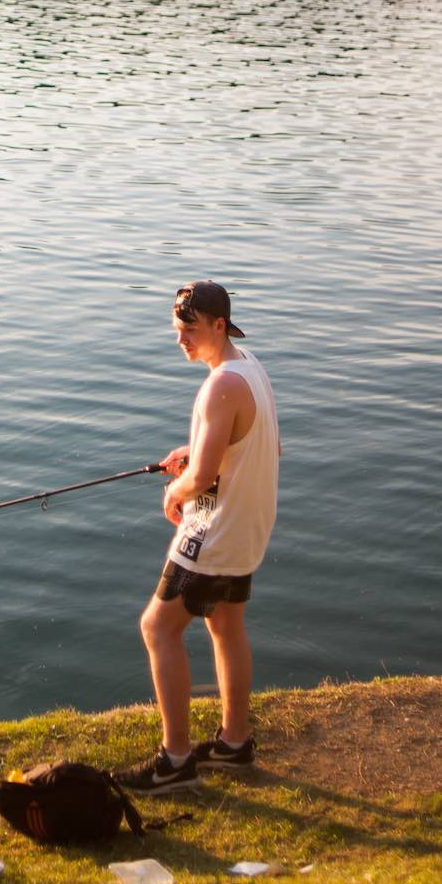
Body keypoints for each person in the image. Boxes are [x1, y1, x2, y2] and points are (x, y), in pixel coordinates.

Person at [117, 280, 279, 794]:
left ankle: (176, 759)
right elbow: (248, 445)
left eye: (189, 330)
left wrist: (176, 493)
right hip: (247, 530)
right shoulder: (247, 367)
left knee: (157, 628)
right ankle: (234, 744)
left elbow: (205, 477)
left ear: (219, 325)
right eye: (176, 330)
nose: (181, 340)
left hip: (214, 534)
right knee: (226, 626)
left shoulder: (220, 386)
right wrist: (195, 452)